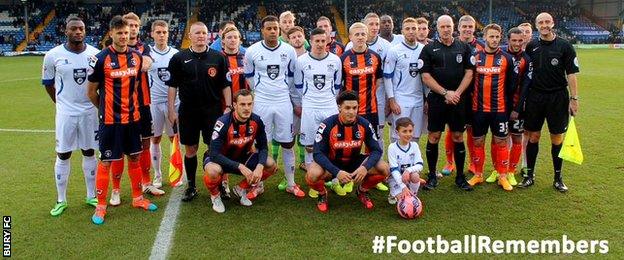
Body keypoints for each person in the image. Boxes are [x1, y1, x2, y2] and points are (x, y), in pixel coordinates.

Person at [87, 16, 158, 225]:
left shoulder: (136, 57)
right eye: (119, 33)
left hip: (133, 118)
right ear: (111, 34)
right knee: (107, 161)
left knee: (135, 158)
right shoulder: (100, 59)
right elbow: (91, 92)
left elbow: (136, 86)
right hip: (110, 121)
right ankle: (101, 205)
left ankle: (138, 198)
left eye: (126, 33)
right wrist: (104, 108)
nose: (123, 36)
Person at [166, 22, 232, 202]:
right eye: (197, 33)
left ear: (208, 36)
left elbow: (226, 84)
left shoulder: (218, 57)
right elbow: (172, 86)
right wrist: (171, 110)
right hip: (188, 111)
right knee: (191, 149)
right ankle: (191, 186)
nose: (201, 36)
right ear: (190, 35)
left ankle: (220, 185)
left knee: (215, 149)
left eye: (204, 33)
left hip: (213, 110)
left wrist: (228, 108)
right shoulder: (179, 58)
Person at [42, 17, 99, 216]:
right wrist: (60, 103)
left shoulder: (95, 54)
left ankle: (91, 195)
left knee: (89, 151)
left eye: (81, 28)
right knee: (63, 154)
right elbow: (48, 83)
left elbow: (100, 84)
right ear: (66, 31)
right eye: (73, 29)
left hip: (89, 112)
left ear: (85, 31)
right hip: (66, 114)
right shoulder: (52, 55)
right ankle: (61, 200)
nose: (78, 31)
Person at [244, 15, 303, 198]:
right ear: (262, 30)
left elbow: (293, 79)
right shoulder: (252, 51)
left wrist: (295, 102)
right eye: (268, 28)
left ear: (279, 30)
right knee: (260, 143)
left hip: (283, 102)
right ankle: (258, 184)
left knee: (287, 142)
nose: (272, 31)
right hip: (261, 102)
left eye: (275, 28)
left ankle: (291, 183)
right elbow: (250, 77)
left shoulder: (289, 50)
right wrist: (262, 91)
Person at [519, 12, 580, 192]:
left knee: (556, 138)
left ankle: (558, 178)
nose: (544, 25)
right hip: (535, 97)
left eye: (547, 22)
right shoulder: (531, 46)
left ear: (552, 23)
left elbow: (571, 74)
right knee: (533, 136)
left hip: (557, 97)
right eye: (541, 22)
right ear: (536, 25)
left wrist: (574, 98)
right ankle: (529, 175)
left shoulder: (565, 46)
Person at [305, 91, 389, 213]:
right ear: (339, 107)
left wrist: (365, 168)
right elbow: (317, 153)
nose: (352, 111)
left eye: (355, 108)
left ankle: (362, 191)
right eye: (347, 108)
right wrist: (337, 172)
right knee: (312, 174)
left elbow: (376, 150)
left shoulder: (364, 124)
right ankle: (322, 194)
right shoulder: (327, 124)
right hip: (332, 163)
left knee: (384, 168)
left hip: (354, 162)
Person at [419, 15, 475, 191]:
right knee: (434, 136)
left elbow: (469, 73)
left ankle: (460, 177)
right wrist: (445, 93)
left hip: (458, 100)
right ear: (437, 28)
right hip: (437, 99)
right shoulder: (429, 49)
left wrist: (456, 93)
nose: (446, 29)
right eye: (442, 26)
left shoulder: (464, 48)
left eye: (448, 26)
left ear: (453, 27)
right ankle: (433, 176)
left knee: (458, 136)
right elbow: (425, 76)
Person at [202, 89, 277, 213]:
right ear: (235, 105)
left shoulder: (256, 121)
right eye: (242, 104)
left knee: (270, 165)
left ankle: (241, 189)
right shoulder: (223, 122)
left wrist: (259, 166)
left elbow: (263, 147)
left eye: (250, 104)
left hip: (243, 157)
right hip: (220, 160)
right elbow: (214, 154)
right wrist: (240, 167)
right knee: (213, 171)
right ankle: (215, 196)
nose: (247, 108)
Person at [464, 24, 519, 191]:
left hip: (500, 110)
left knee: (501, 142)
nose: (494, 40)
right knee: (478, 141)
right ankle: (478, 174)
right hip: (478, 109)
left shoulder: (507, 59)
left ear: (500, 38)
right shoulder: (475, 57)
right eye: (491, 36)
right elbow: (469, 81)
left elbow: (512, 85)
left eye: (497, 37)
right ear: (485, 37)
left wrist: (510, 108)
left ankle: (503, 175)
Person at [294, 28, 342, 198]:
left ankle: (335, 180)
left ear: (327, 41)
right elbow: (298, 86)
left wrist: (328, 100)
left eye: (323, 41)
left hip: (330, 107)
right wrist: (307, 102)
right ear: (311, 41)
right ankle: (313, 182)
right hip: (310, 108)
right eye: (317, 41)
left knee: (334, 143)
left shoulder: (335, 60)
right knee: (309, 145)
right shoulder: (301, 61)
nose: (320, 44)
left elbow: (337, 86)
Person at [339, 22, 384, 195]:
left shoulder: (375, 57)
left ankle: (367, 177)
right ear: (350, 37)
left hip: (371, 109)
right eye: (356, 34)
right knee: (349, 144)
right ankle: (349, 177)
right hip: (350, 111)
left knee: (372, 145)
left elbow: (378, 80)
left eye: (362, 34)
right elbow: (340, 85)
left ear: (367, 36)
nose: (360, 37)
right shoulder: (343, 58)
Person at [485, 27, 531, 186]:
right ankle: (497, 169)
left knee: (517, 137)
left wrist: (517, 108)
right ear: (508, 40)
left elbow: (525, 85)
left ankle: (511, 171)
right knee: (497, 138)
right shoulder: (500, 55)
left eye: (520, 41)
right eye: (514, 40)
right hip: (500, 106)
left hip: (518, 106)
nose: (517, 43)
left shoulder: (526, 59)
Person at [441, 15, 485, 177]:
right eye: (464, 26)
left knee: (472, 130)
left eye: (470, 27)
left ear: (474, 28)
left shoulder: (481, 47)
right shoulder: (450, 45)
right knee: (452, 129)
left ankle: (473, 163)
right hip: (454, 95)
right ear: (458, 28)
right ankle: (449, 162)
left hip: (474, 96)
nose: (467, 29)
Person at [147, 20, 180, 188]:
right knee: (155, 138)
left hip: (173, 103)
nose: (161, 35)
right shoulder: (147, 54)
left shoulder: (175, 54)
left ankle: (177, 172)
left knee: (174, 138)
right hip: (154, 103)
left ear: (168, 33)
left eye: (164, 32)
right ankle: (158, 175)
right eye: (158, 32)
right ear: (152, 34)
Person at [384, 17, 426, 144]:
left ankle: (412, 163)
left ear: (418, 30)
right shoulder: (394, 50)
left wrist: (427, 99)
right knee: (398, 135)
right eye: (407, 29)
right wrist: (391, 100)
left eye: (414, 28)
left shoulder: (423, 49)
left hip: (418, 99)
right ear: (402, 31)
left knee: (415, 135)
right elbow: (387, 77)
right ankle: (395, 163)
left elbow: (426, 76)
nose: (411, 31)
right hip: (401, 98)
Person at [219, 26, 249, 199]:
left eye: (235, 37)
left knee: (245, 142)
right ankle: (224, 182)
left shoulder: (246, 57)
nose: (232, 40)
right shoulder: (218, 58)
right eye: (229, 37)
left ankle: (250, 180)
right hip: (225, 109)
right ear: (223, 40)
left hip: (244, 109)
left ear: (240, 39)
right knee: (225, 145)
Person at [387, 117, 424, 205]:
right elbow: (394, 170)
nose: (408, 134)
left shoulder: (414, 145)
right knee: (402, 201)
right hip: (395, 179)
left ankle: (413, 196)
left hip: (409, 177)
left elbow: (420, 165)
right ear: (397, 132)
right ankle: (394, 193)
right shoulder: (392, 147)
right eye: (404, 131)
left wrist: (408, 170)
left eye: (410, 131)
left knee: (415, 175)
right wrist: (403, 187)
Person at [285, 26, 307, 173]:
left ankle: (307, 163)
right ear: (289, 40)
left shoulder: (312, 56)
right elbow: (286, 85)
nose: (297, 39)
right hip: (292, 105)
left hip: (310, 105)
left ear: (304, 37)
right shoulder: (287, 58)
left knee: (310, 138)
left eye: (299, 36)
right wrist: (295, 105)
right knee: (290, 138)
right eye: (293, 37)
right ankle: (289, 173)